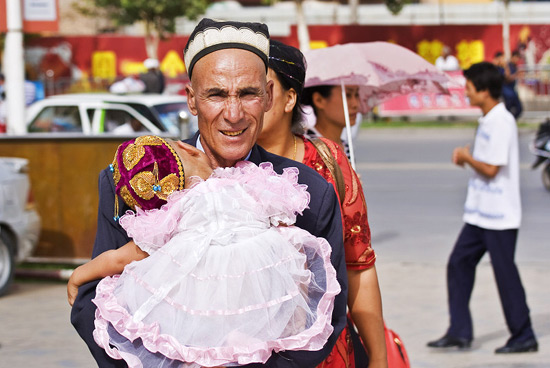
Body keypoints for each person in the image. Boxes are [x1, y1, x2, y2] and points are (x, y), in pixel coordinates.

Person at [71, 18, 348, 368]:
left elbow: (328, 313)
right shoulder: (138, 181)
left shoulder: (306, 193)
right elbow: (91, 301)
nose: (233, 114)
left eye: (247, 94)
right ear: (191, 99)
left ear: (267, 96)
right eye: (216, 94)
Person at [68, 135, 340, 367]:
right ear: (188, 148)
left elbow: (125, 256)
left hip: (201, 294)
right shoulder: (247, 181)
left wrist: (80, 274)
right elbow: (282, 216)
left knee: (189, 328)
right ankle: (274, 335)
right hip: (257, 279)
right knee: (287, 291)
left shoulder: (174, 210)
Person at [257, 40, 387, 368]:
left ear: (289, 98)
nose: (247, 102)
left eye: (259, 88)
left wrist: (379, 358)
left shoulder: (329, 163)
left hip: (327, 353)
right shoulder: (222, 166)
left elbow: (359, 268)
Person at [427, 62, 538, 354]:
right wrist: (468, 157)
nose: (466, 92)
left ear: (485, 91)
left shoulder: (502, 121)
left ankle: (524, 334)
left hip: (499, 216)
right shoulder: (488, 119)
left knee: (504, 273)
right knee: (458, 263)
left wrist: (466, 156)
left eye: (470, 87)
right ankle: (459, 331)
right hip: (479, 214)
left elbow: (490, 168)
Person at [301, 84, 360, 163]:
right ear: (319, 100)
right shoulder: (306, 146)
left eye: (356, 95)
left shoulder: (346, 147)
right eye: (347, 95)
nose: (355, 104)